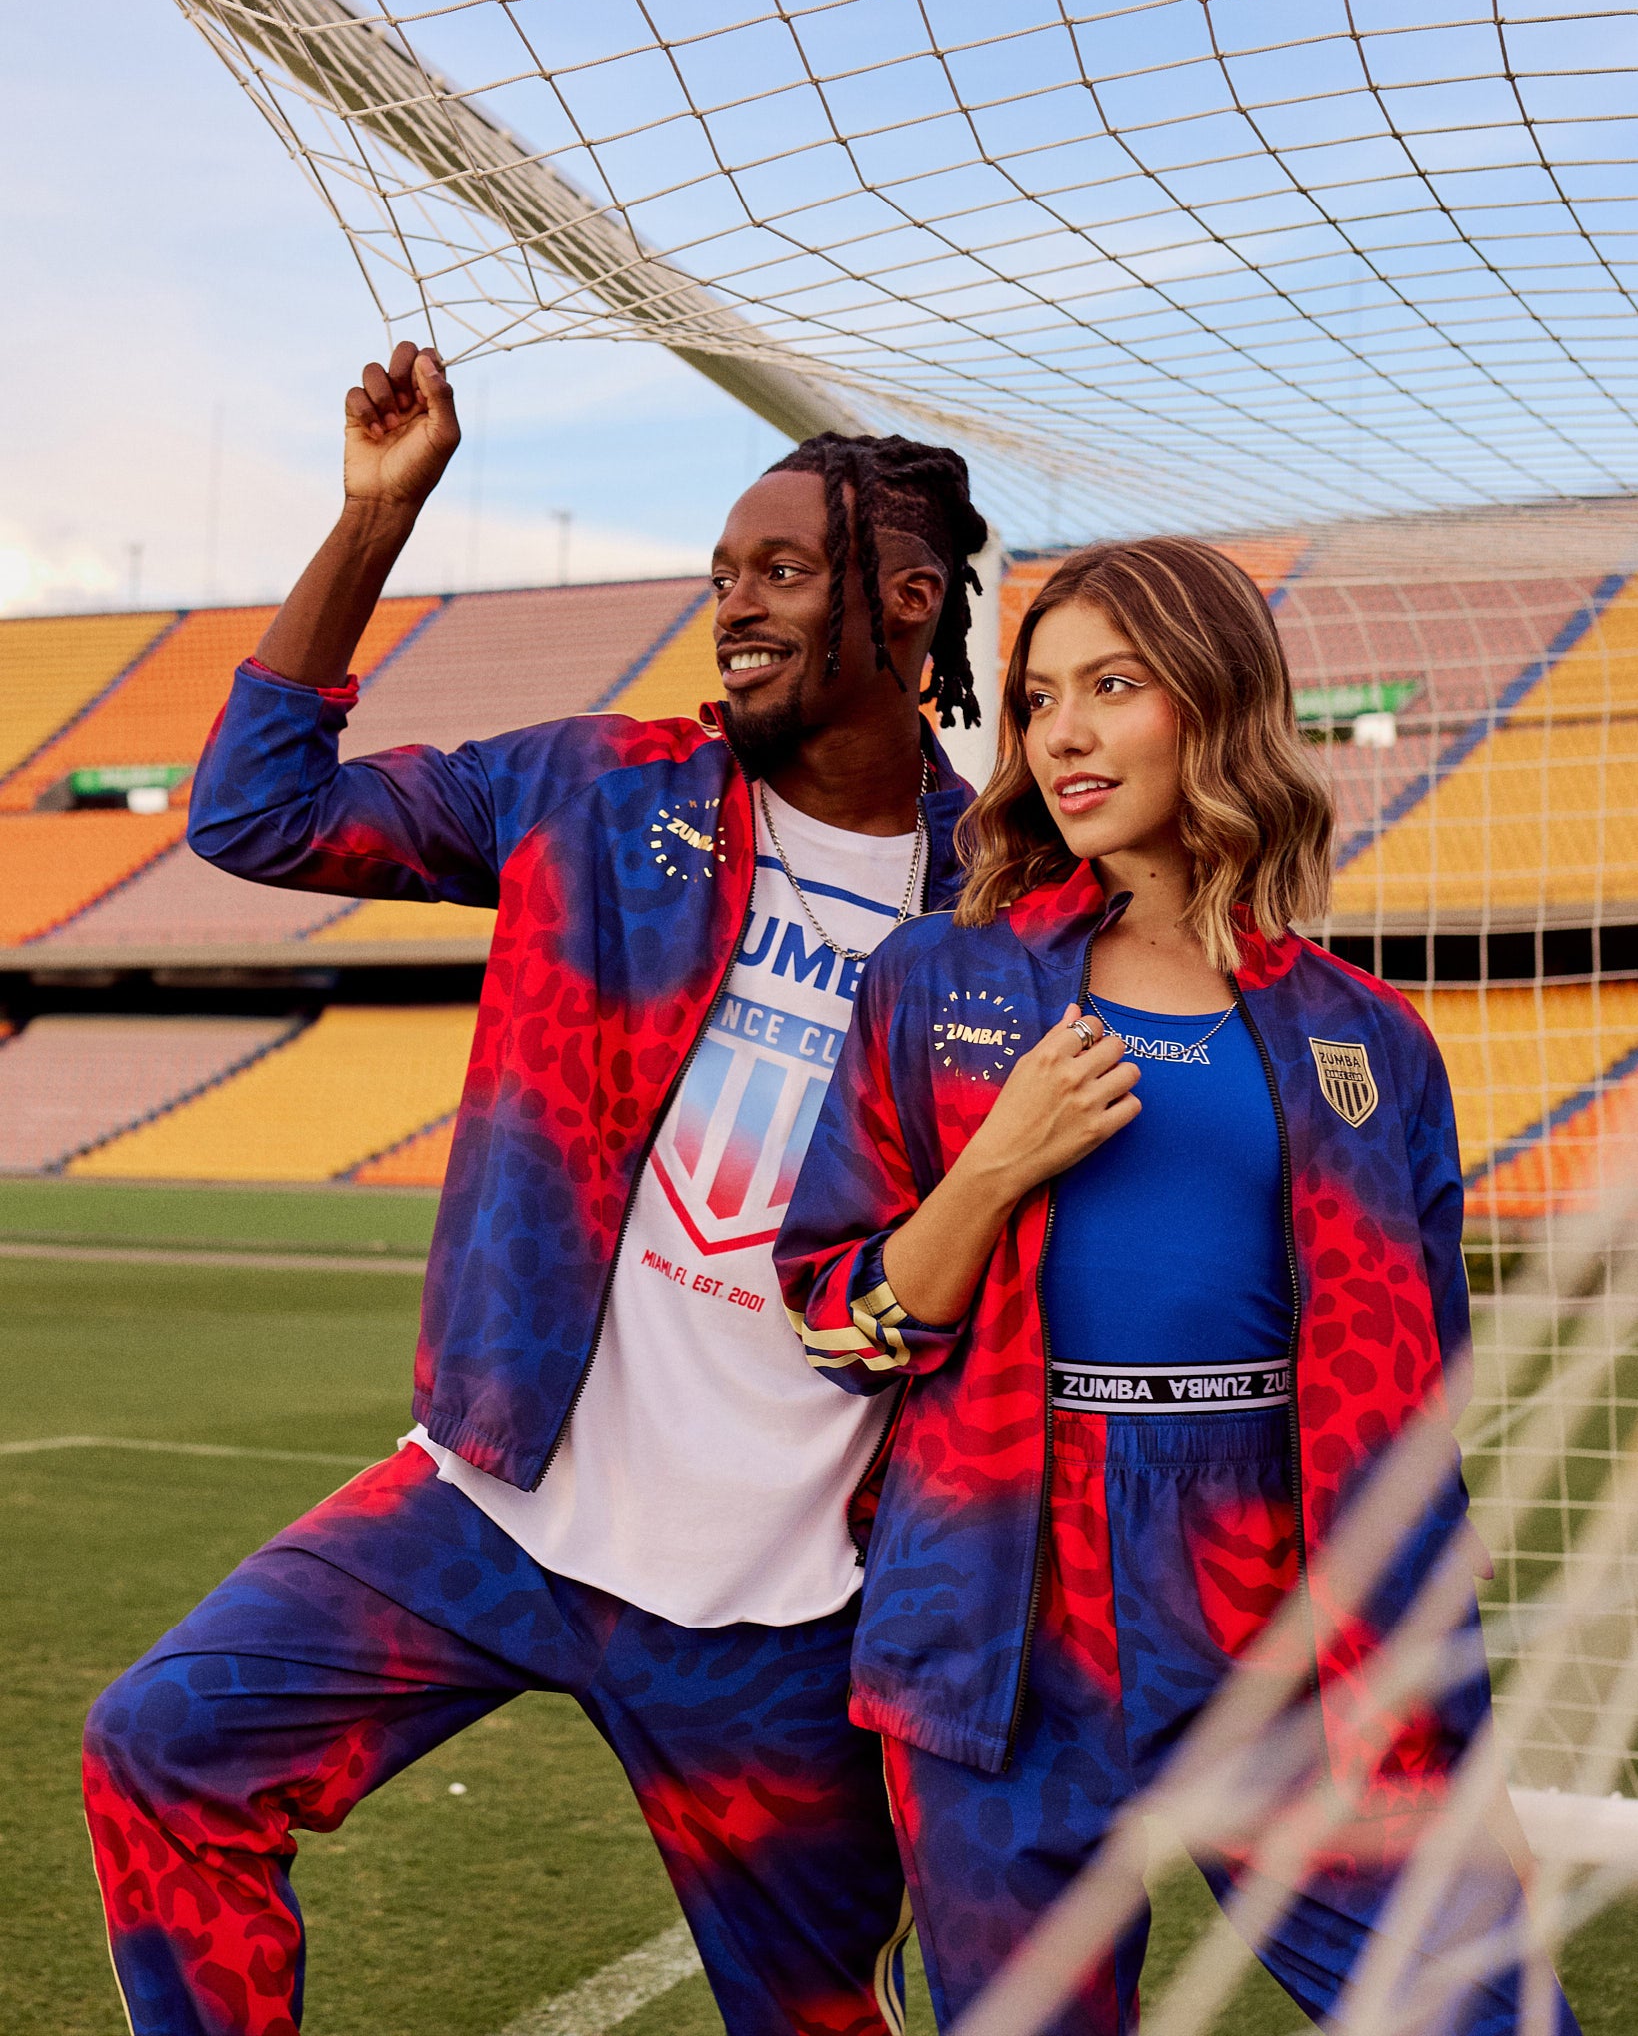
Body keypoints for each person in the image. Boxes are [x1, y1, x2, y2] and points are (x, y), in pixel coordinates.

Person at [81, 341, 992, 2036]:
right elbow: (255, 813)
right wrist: (375, 519)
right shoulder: (594, 787)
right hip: (491, 1513)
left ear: (910, 601)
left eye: (782, 571)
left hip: (789, 1605)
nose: (735, 607)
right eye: (721, 574)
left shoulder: (1001, 903)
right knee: (164, 1752)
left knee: (817, 2016)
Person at [775, 538, 1581, 2034]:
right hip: (1000, 1579)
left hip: (1280, 1584)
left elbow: (1416, 1439)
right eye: (1037, 699)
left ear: (1213, 701)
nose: (1062, 734)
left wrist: (1459, 1764)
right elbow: (836, 1324)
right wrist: (992, 1168)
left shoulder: (1370, 1039)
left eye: (1113, 685)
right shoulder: (934, 982)